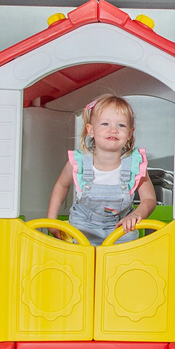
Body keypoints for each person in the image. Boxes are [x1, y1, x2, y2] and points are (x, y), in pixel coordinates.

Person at [46, 94, 158, 245]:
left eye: (121, 125)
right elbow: (61, 185)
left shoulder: (135, 165)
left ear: (130, 134)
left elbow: (149, 199)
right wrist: (51, 220)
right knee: (82, 258)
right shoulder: (79, 162)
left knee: (123, 258)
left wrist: (136, 215)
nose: (113, 130)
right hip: (82, 228)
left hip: (121, 229)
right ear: (91, 130)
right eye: (105, 124)